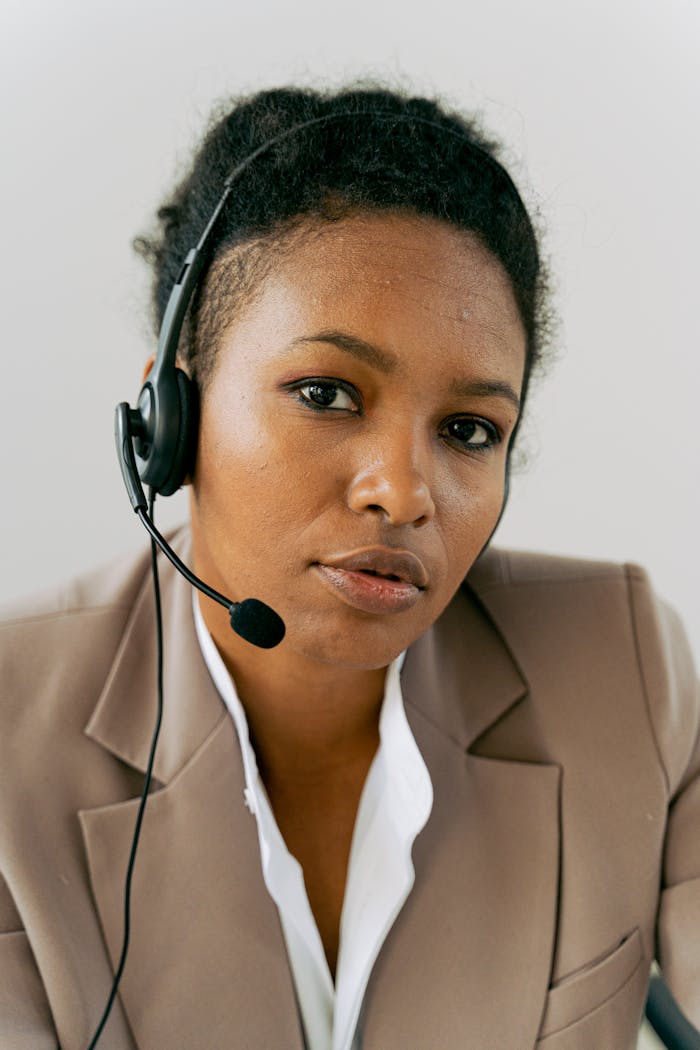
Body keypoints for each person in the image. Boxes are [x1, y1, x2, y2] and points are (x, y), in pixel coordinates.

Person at [0, 84, 698, 1050]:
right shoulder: (8, 730)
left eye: (468, 429)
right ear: (171, 420)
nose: (403, 492)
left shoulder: (621, 666)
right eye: (326, 392)